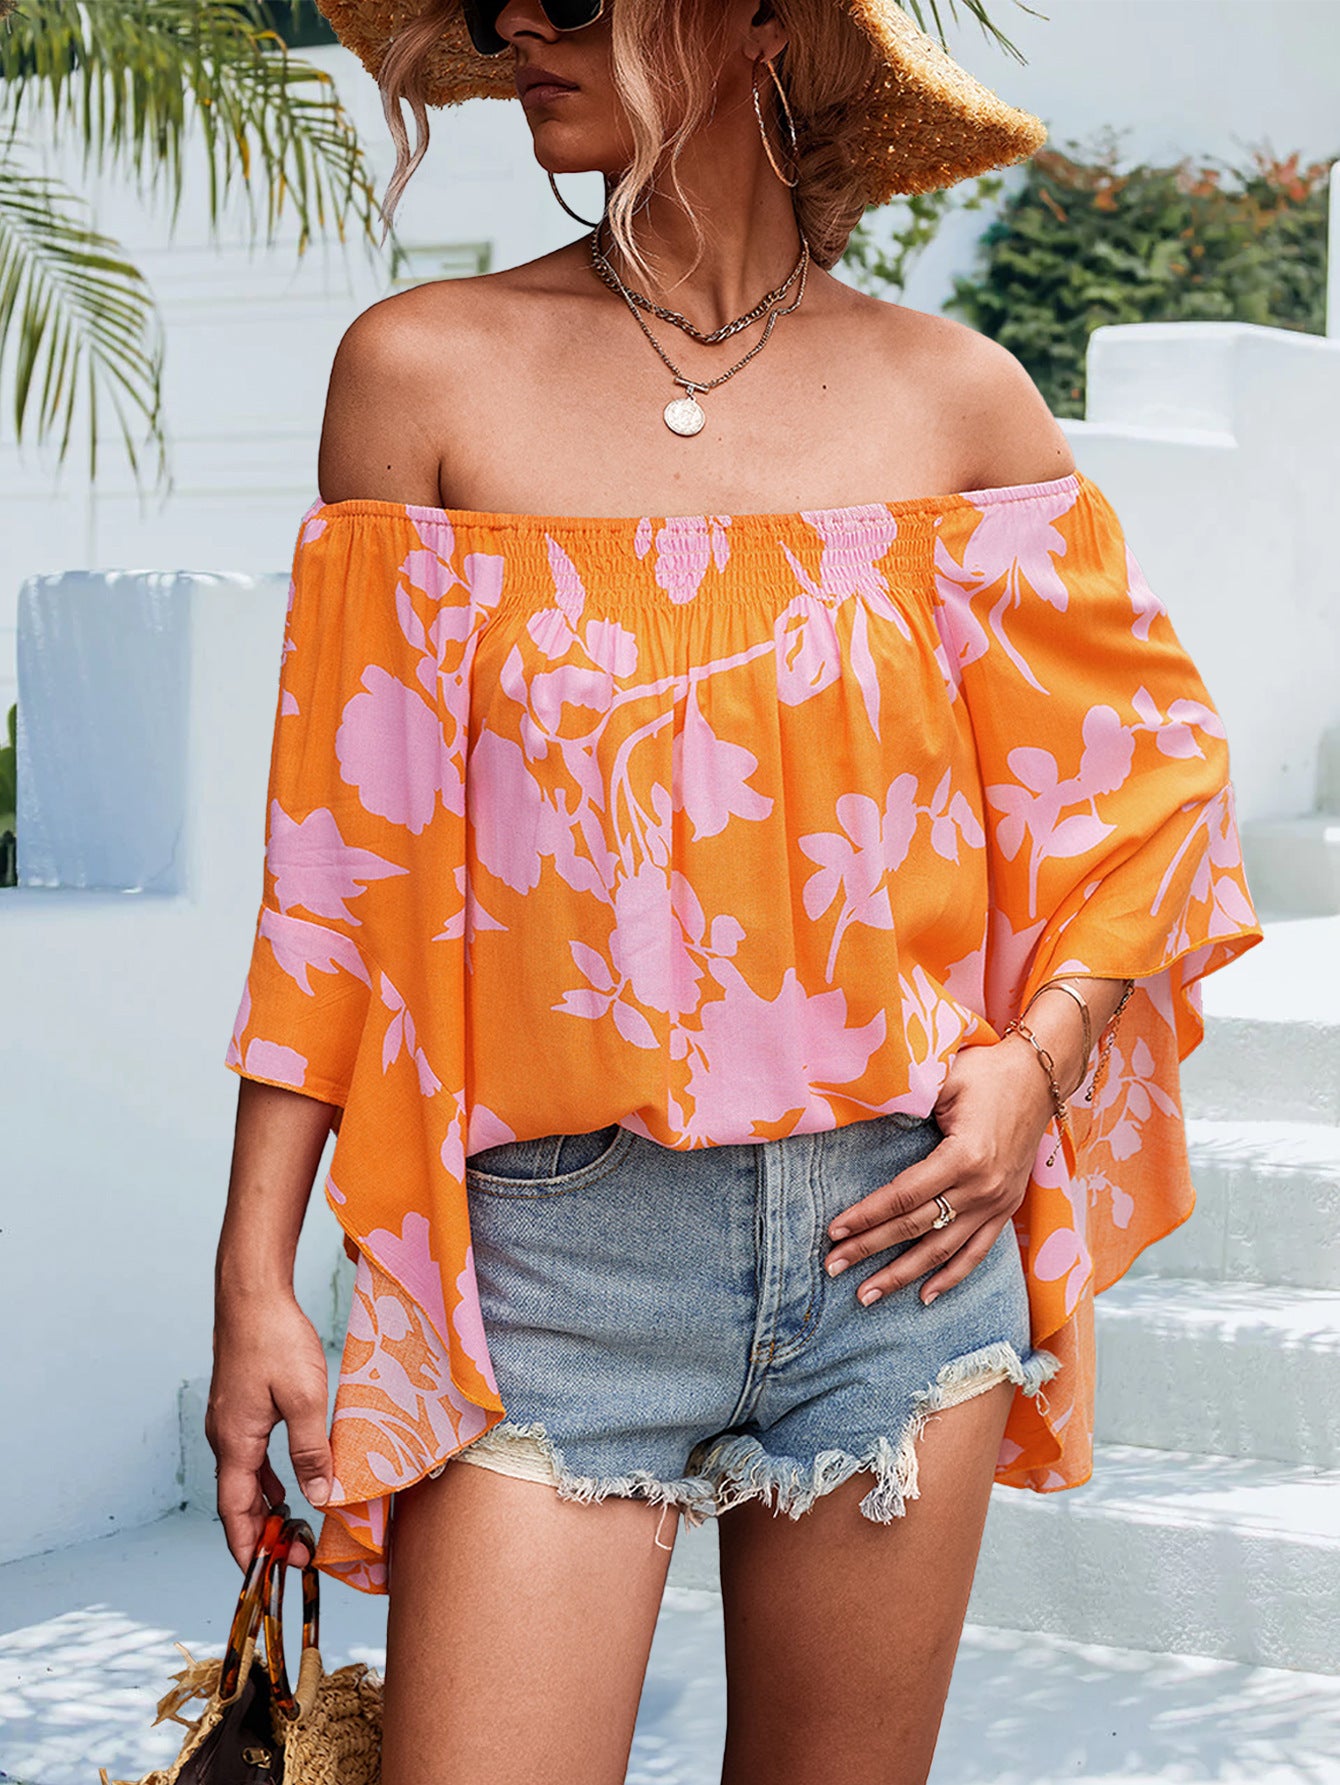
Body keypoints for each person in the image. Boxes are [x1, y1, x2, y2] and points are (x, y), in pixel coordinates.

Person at [207, 3, 1263, 1781]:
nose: (516, 23)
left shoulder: (954, 400)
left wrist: (1044, 1058)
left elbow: (1150, 781)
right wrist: (255, 1274)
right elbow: (337, 865)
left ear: (767, 18)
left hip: (898, 1244)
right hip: (551, 1257)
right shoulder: (424, 372)